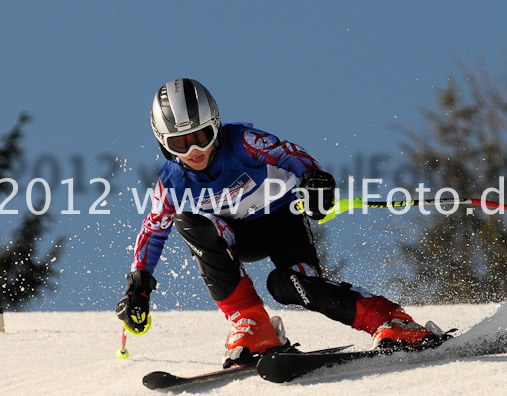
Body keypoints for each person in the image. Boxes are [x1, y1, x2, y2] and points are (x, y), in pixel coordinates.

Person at [116, 78, 442, 368]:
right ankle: (253, 323)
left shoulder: (243, 141)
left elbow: (289, 154)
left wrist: (314, 179)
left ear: (216, 125)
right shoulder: (171, 182)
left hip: (282, 221)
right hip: (233, 237)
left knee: (288, 285)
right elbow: (153, 231)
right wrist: (139, 286)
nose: (195, 150)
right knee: (190, 220)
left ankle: (392, 321)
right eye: (181, 143)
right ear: (164, 144)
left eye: (203, 136)